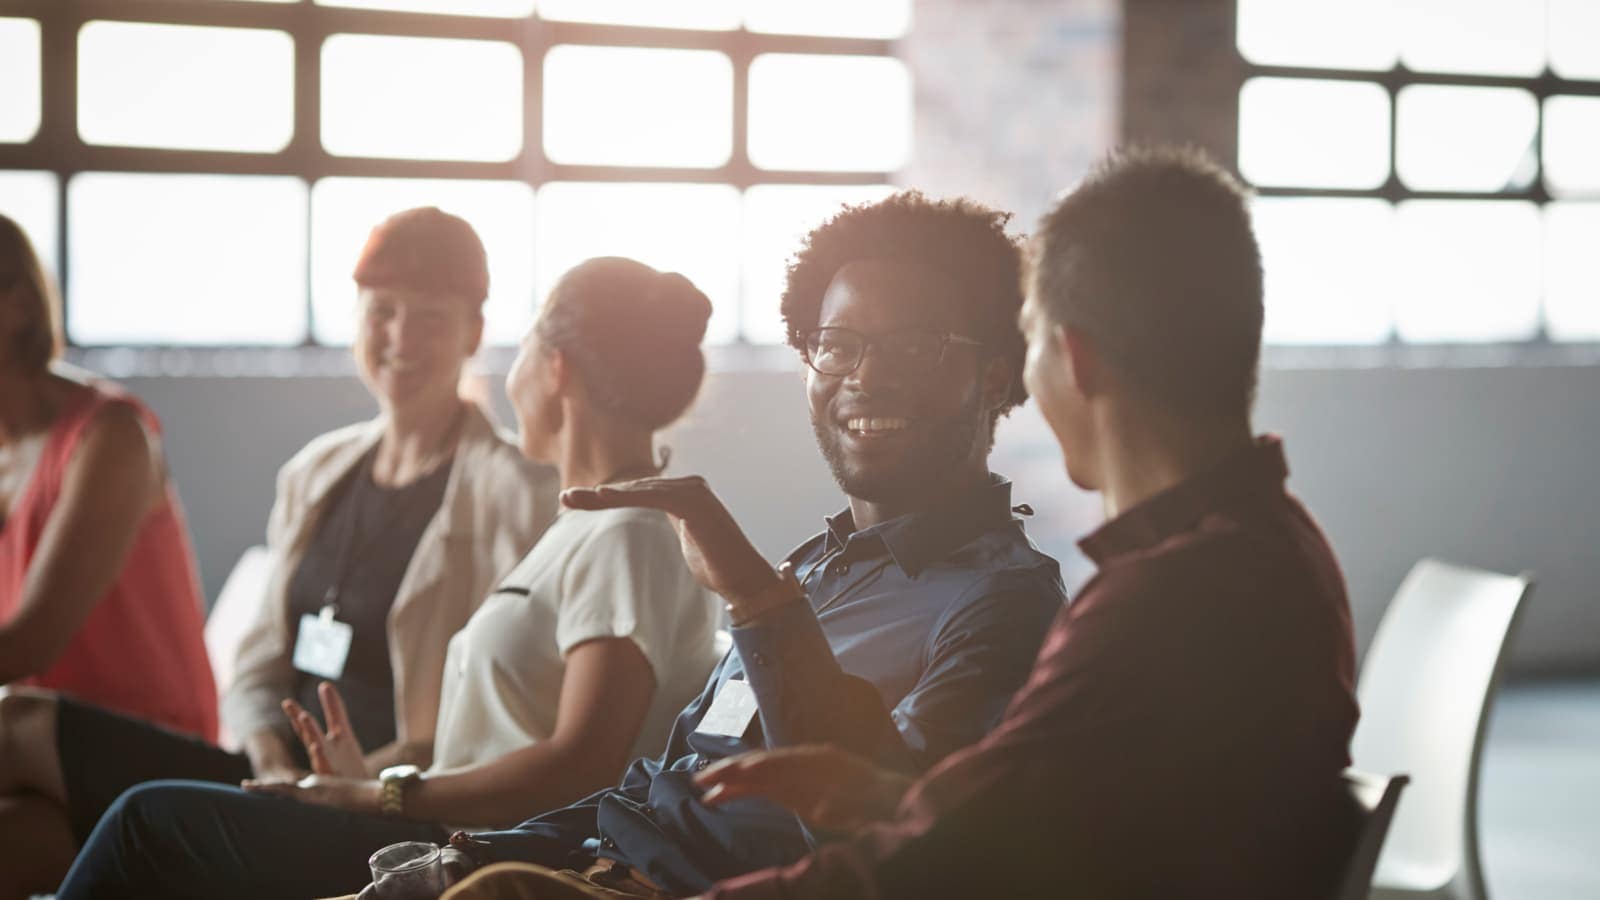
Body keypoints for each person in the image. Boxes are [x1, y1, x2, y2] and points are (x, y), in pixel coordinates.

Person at [658, 147, 1361, 900]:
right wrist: (874, 793)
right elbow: (1022, 815)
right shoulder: (1272, 547)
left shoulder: (1169, 602)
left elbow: (929, 874)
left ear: (1071, 359)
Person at [354, 190, 1069, 900]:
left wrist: (761, 605)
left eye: (915, 346)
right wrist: (470, 855)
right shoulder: (817, 569)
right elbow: (651, 794)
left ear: (994, 375)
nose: (866, 375)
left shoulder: (1001, 602)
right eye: (836, 345)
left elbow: (893, 837)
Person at [53, 257, 726, 899]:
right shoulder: (586, 524)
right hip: (442, 823)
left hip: (479, 851)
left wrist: (385, 793)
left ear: (555, 369)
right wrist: (372, 779)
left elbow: (583, 764)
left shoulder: (630, 533)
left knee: (144, 823)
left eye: (519, 347)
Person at [0, 207, 557, 898]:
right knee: (14, 723)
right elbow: (259, 664)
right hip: (272, 777)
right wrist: (270, 755)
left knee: (140, 819)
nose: (401, 338)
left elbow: (499, 709)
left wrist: (362, 782)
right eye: (381, 312)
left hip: (383, 800)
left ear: (474, 333)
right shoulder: (317, 472)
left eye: (432, 319)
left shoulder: (517, 494)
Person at [0, 213, 217, 898]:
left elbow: (29, 643)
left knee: (11, 721)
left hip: (153, 755)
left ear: (20, 305)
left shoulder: (110, 434)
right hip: (39, 767)